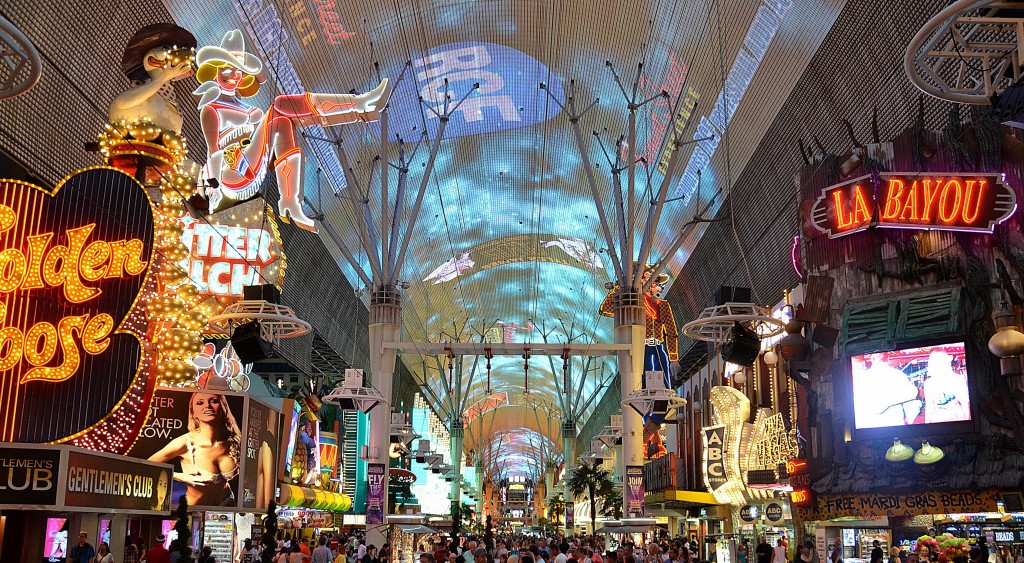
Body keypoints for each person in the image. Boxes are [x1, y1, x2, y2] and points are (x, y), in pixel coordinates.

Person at [193, 29, 389, 231]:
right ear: (214, 73)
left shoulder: (246, 108)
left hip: (251, 165)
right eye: (227, 71)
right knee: (279, 105)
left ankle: (290, 203)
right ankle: (359, 104)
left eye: (238, 71)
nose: (233, 76)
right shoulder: (211, 110)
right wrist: (213, 188)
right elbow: (213, 152)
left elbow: (265, 142)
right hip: (231, 172)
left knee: (283, 122)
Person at [148, 392, 242, 506]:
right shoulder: (185, 443)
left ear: (223, 407)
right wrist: (181, 477)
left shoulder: (234, 440)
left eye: (214, 401)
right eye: (200, 403)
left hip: (227, 503)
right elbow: (147, 466)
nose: (207, 406)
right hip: (195, 509)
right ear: (193, 412)